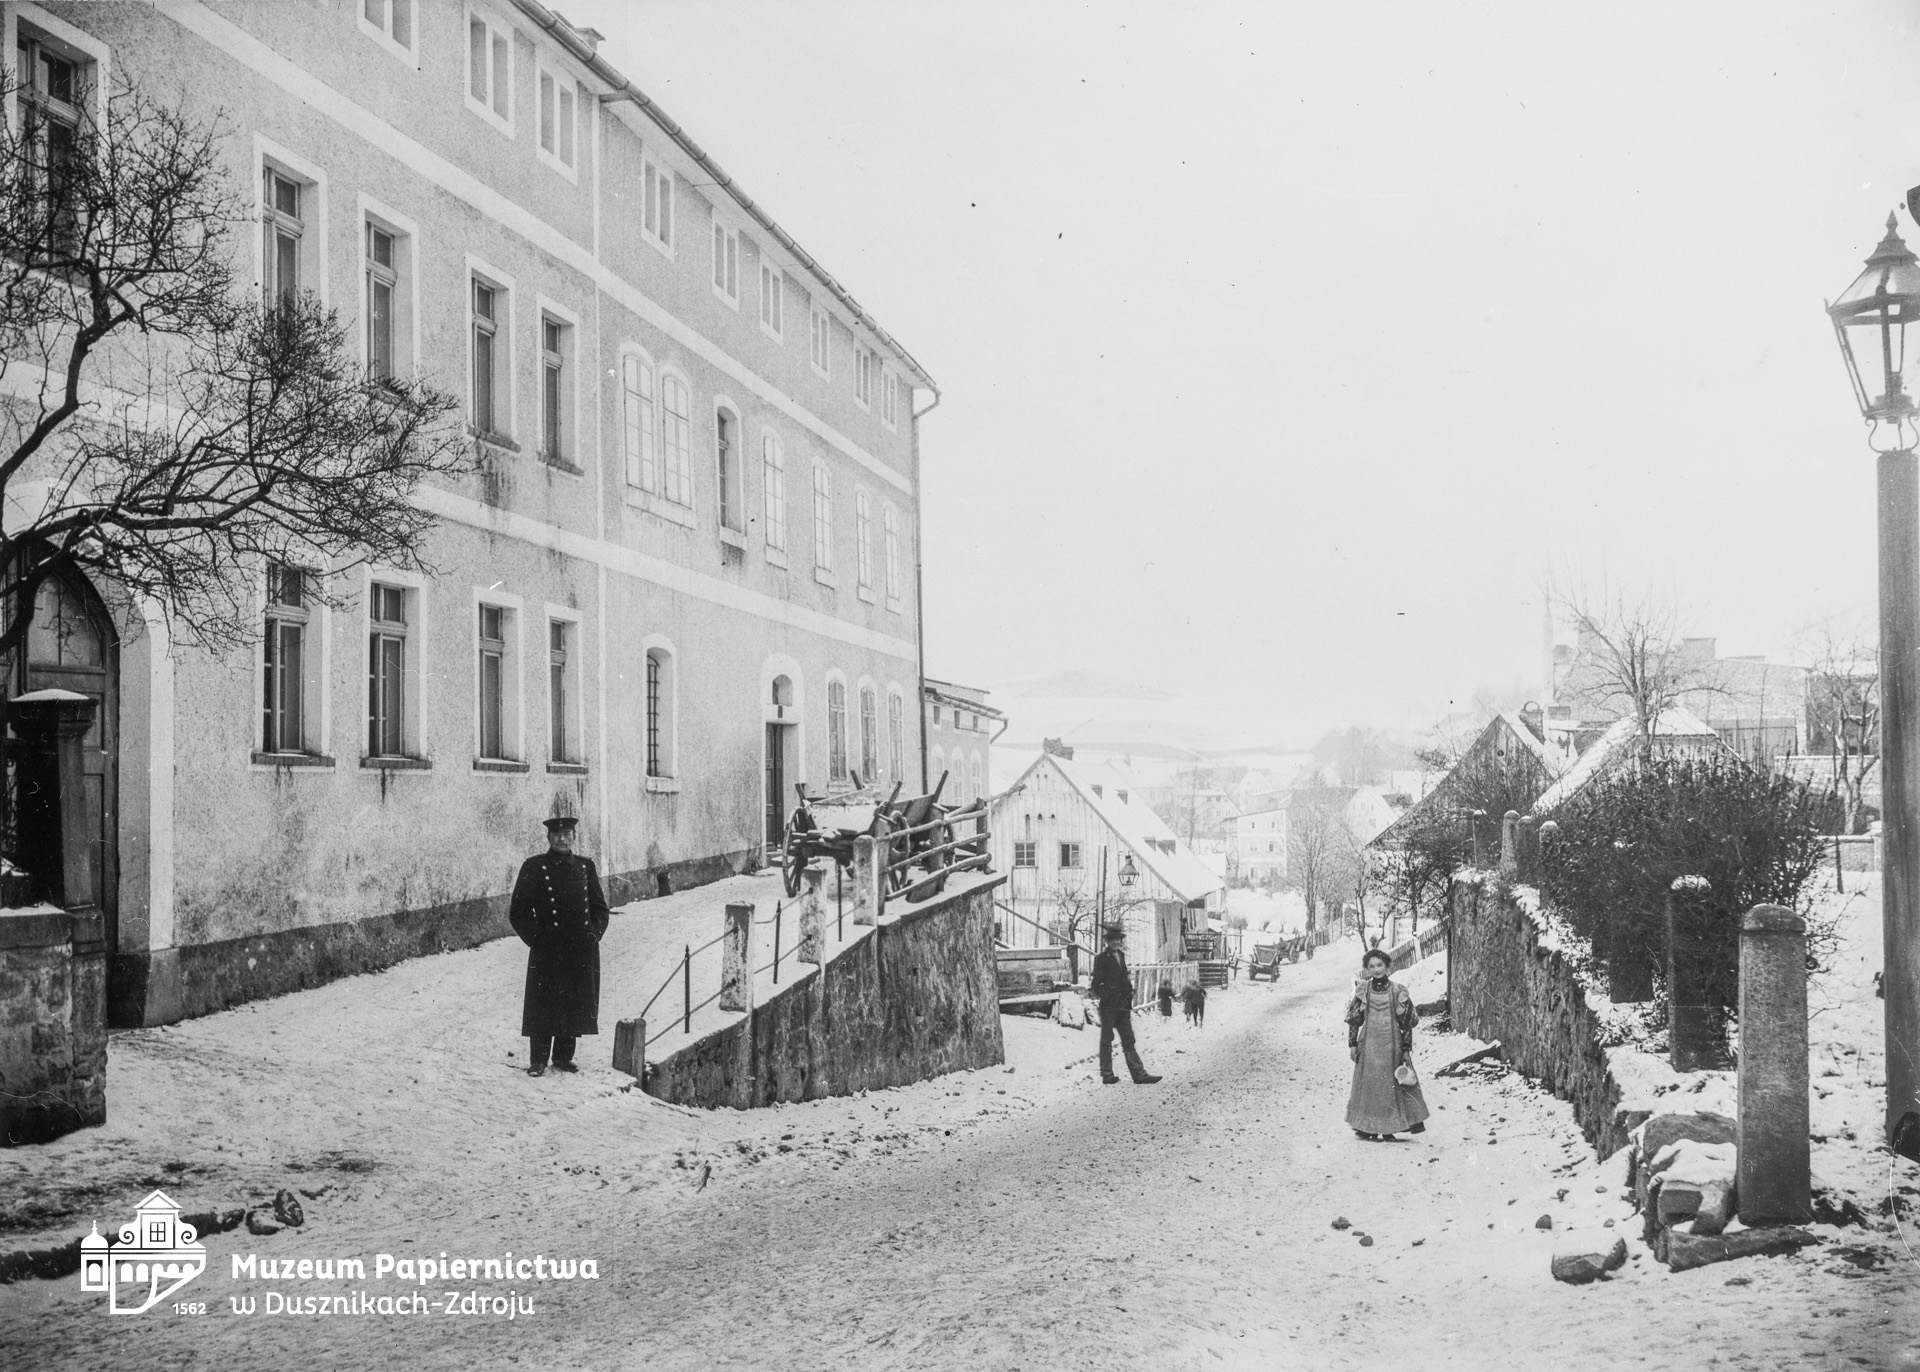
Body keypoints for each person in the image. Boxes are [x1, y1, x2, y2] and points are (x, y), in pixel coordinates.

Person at [510, 815, 610, 1077]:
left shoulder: (585, 867)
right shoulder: (534, 867)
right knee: (543, 1002)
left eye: (567, 834)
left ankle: (564, 1057)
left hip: (579, 949)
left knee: (574, 1001)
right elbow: (519, 912)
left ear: (574, 837)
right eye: (556, 834)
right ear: (548, 838)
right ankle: (538, 1060)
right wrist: (537, 939)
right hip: (548, 949)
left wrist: (593, 935)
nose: (562, 839)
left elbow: (600, 909)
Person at [1344, 947, 1429, 1139]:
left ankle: (1390, 1128)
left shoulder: (1398, 991)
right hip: (1368, 1047)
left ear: (1387, 966)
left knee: (1391, 1087)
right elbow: (1354, 1020)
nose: (1376, 970)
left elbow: (1407, 1023)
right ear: (1367, 969)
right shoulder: (1363, 990)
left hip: (1393, 1046)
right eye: (1371, 966)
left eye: (1380, 965)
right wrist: (1352, 1044)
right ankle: (1368, 1128)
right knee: (1369, 1087)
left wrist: (1406, 1049)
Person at [1089, 924, 1160, 1086]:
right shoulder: (1101, 958)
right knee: (1107, 1040)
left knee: (1129, 1039)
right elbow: (1095, 985)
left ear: (1121, 941)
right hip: (1109, 1007)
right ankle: (1107, 1074)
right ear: (1107, 941)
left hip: (1123, 1006)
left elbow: (1123, 979)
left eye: (1118, 940)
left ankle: (1139, 1074)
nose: (1115, 942)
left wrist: (1129, 991)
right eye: (1112, 940)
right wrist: (1107, 995)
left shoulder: (1121, 955)